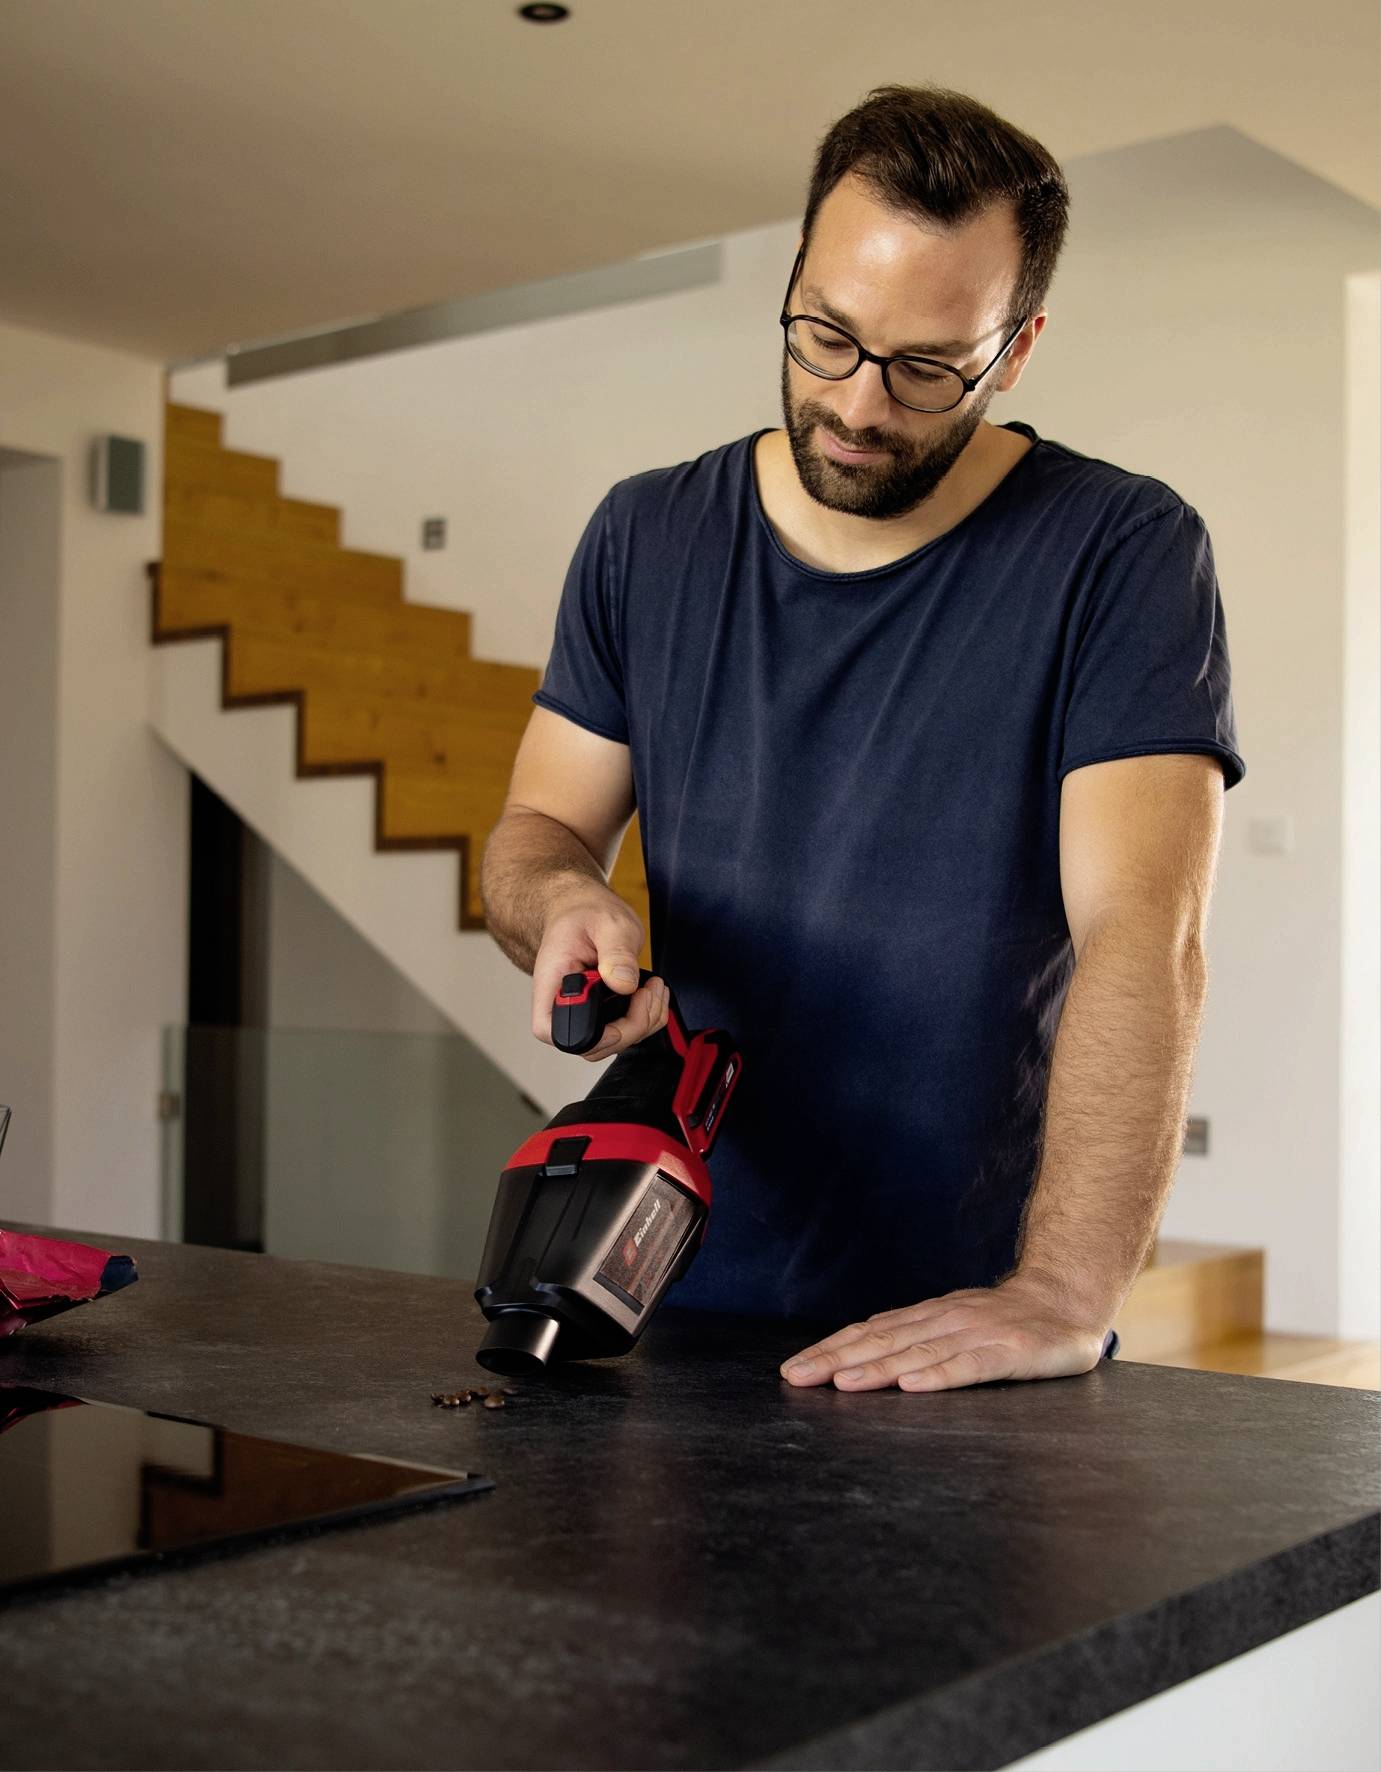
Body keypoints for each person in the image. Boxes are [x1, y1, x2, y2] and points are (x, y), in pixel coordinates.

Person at [480, 84, 1245, 1394]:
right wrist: (556, 901)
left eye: (925, 366)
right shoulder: (645, 535)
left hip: (958, 1321)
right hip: (654, 1286)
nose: (857, 403)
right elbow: (539, 829)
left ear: (1014, 349)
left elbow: (1143, 937)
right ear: (790, 280)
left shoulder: (1119, 552)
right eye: (824, 337)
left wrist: (1060, 1294)